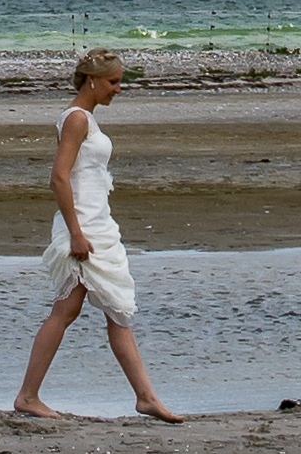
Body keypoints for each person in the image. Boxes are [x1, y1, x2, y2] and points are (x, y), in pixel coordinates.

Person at [14, 48, 183, 423]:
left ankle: (145, 397)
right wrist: (75, 233)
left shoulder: (86, 118)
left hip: (98, 222)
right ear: (92, 80)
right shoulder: (76, 119)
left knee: (113, 310)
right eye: (113, 82)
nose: (118, 89)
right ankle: (28, 396)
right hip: (84, 227)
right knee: (72, 310)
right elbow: (59, 177)